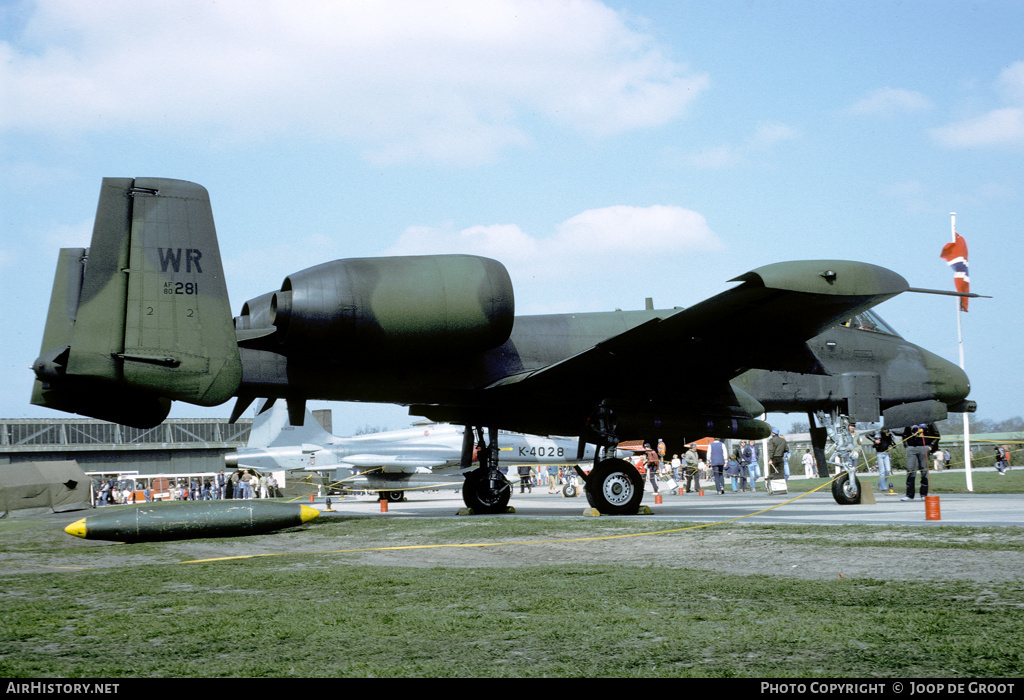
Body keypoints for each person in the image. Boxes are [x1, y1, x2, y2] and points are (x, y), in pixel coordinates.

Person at [901, 424, 936, 501]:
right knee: (910, 470)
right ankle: (909, 495)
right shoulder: (910, 421)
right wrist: (906, 445)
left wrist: (930, 446)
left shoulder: (929, 422)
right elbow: (905, 434)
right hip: (911, 447)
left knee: (924, 471)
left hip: (924, 447)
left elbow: (936, 435)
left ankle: (924, 494)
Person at [872, 429, 896, 494]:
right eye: (886, 431)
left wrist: (893, 444)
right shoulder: (879, 435)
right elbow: (867, 435)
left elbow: (892, 444)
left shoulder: (889, 437)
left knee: (888, 470)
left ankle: (881, 483)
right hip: (879, 453)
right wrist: (874, 441)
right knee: (882, 471)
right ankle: (883, 487)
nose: (887, 432)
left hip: (886, 453)